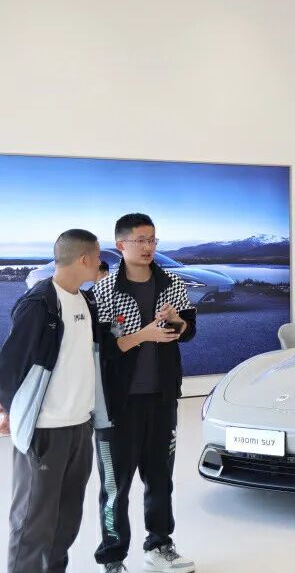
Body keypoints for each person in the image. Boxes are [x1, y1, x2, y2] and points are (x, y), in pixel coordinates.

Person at [0, 230, 113, 573]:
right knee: (33, 522)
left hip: (80, 426)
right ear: (84, 259)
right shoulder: (40, 304)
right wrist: (6, 409)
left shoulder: (86, 301)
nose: (100, 264)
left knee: (66, 519)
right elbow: (11, 363)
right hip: (44, 429)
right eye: (98, 258)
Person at [93, 213, 197, 573]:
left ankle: (159, 545)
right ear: (121, 245)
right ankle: (112, 558)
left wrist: (179, 322)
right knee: (115, 486)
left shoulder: (172, 282)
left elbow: (189, 330)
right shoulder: (104, 289)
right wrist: (144, 335)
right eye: (140, 240)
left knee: (160, 479)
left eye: (153, 239)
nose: (148, 246)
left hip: (162, 398)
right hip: (117, 404)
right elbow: (103, 349)